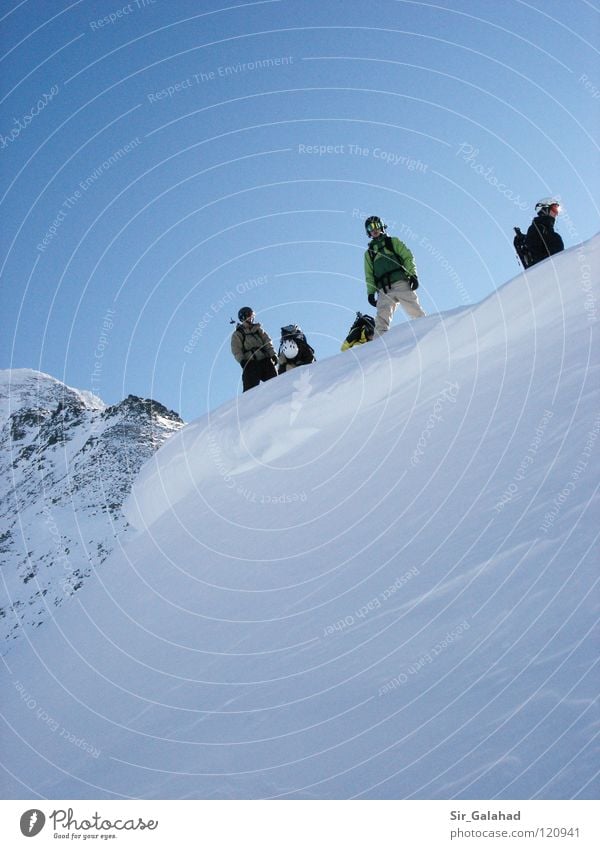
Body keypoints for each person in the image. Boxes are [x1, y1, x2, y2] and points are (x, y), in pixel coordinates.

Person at [363, 216, 426, 335]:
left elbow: (407, 257)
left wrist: (412, 275)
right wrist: (371, 292)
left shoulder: (392, 242)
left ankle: (426, 330)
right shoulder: (369, 253)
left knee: (414, 310)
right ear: (368, 232)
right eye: (371, 227)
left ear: (381, 226)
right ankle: (380, 345)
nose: (374, 229)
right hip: (384, 289)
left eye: (376, 225)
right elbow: (369, 274)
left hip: (400, 282)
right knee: (382, 318)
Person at [231, 306, 278, 392]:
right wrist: (242, 361)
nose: (251, 318)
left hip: (265, 360)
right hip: (251, 364)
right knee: (249, 391)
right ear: (243, 317)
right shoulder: (238, 333)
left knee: (275, 383)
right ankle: (249, 405)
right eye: (249, 315)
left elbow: (267, 342)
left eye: (252, 315)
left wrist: (273, 354)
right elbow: (236, 349)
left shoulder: (258, 330)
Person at [524, 197, 564, 267]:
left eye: (557, 210)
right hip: (546, 267)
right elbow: (536, 253)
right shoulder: (537, 228)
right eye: (554, 209)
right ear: (545, 209)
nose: (556, 213)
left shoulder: (546, 229)